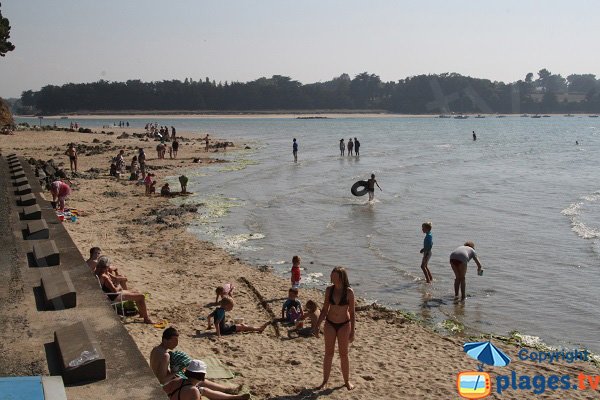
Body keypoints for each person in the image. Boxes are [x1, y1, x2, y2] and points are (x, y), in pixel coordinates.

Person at [150, 327, 246, 399]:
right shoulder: (165, 355)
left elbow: (157, 372)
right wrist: (176, 371)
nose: (176, 344)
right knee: (199, 382)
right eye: (174, 341)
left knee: (198, 380)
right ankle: (230, 392)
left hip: (159, 382)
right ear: (165, 340)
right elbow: (162, 380)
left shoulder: (155, 349)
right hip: (164, 385)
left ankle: (229, 392)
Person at [314, 267, 356, 391]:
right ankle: (325, 381)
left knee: (344, 354)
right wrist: (317, 325)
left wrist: (353, 331)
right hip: (330, 323)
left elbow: (353, 313)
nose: (332, 278)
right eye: (332, 275)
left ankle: (347, 381)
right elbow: (325, 309)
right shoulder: (329, 290)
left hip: (344, 324)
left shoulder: (349, 292)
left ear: (341, 277)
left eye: (334, 276)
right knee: (328, 353)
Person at [95, 256, 154, 324]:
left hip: (108, 294)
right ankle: (146, 319)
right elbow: (115, 291)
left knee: (136, 292)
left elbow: (113, 280)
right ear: (106, 266)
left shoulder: (96, 272)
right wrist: (119, 286)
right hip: (114, 296)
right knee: (142, 296)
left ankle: (142, 315)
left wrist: (116, 276)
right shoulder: (104, 277)